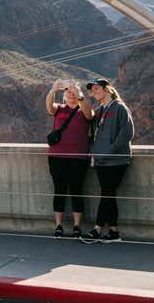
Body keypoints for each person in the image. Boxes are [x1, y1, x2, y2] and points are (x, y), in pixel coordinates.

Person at [82, 78, 134, 243]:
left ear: (107, 89)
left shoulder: (119, 108)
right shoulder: (100, 111)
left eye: (97, 88)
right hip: (101, 161)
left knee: (107, 193)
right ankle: (114, 232)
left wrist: (108, 152)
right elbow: (93, 133)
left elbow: (127, 134)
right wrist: (95, 152)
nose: (94, 92)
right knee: (108, 194)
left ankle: (97, 229)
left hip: (116, 161)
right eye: (92, 90)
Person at [45, 79, 93, 238]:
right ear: (64, 95)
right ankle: (58, 225)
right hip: (57, 157)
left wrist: (79, 94)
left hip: (78, 158)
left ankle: (77, 226)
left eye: (74, 92)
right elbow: (49, 107)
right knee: (59, 190)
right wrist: (53, 90)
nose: (71, 95)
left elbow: (89, 114)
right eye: (68, 92)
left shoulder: (84, 110)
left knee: (76, 190)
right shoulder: (59, 109)